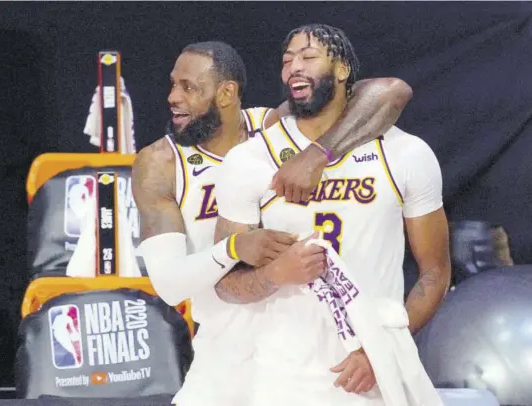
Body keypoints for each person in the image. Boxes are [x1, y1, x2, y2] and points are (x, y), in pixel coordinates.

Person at [133, 40, 413, 406]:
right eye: (173, 85)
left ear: (226, 93)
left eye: (189, 87)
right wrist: (233, 248)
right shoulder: (160, 163)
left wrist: (318, 153)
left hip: (300, 342)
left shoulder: (272, 128)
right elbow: (168, 285)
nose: (173, 97)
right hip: (224, 347)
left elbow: (392, 91)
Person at [213, 24, 451, 406]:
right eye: (287, 60)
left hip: (372, 372)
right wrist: (277, 273)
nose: (294, 67)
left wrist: (381, 350)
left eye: (308, 57)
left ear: (342, 70)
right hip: (281, 374)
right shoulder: (248, 159)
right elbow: (224, 283)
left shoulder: (406, 153)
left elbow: (435, 272)